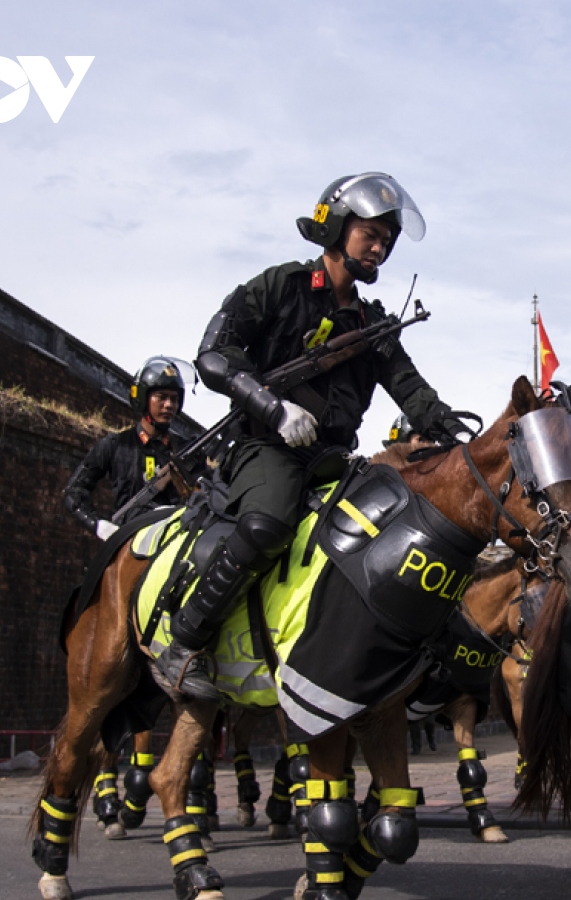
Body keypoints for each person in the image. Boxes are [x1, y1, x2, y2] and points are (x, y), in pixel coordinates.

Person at [155, 172, 469, 700]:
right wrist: (271, 407)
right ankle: (183, 644)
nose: (379, 248)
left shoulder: (373, 325)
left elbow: (412, 391)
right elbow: (212, 355)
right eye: (370, 234)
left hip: (334, 460)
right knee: (268, 524)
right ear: (337, 227)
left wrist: (460, 436)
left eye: (387, 242)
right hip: (267, 446)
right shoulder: (282, 286)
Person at [63, 357, 192, 540]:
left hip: (174, 543)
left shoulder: (187, 450)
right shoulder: (115, 445)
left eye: (174, 399)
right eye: (162, 397)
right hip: (127, 545)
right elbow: (73, 493)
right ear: (142, 398)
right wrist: (98, 525)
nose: (169, 405)